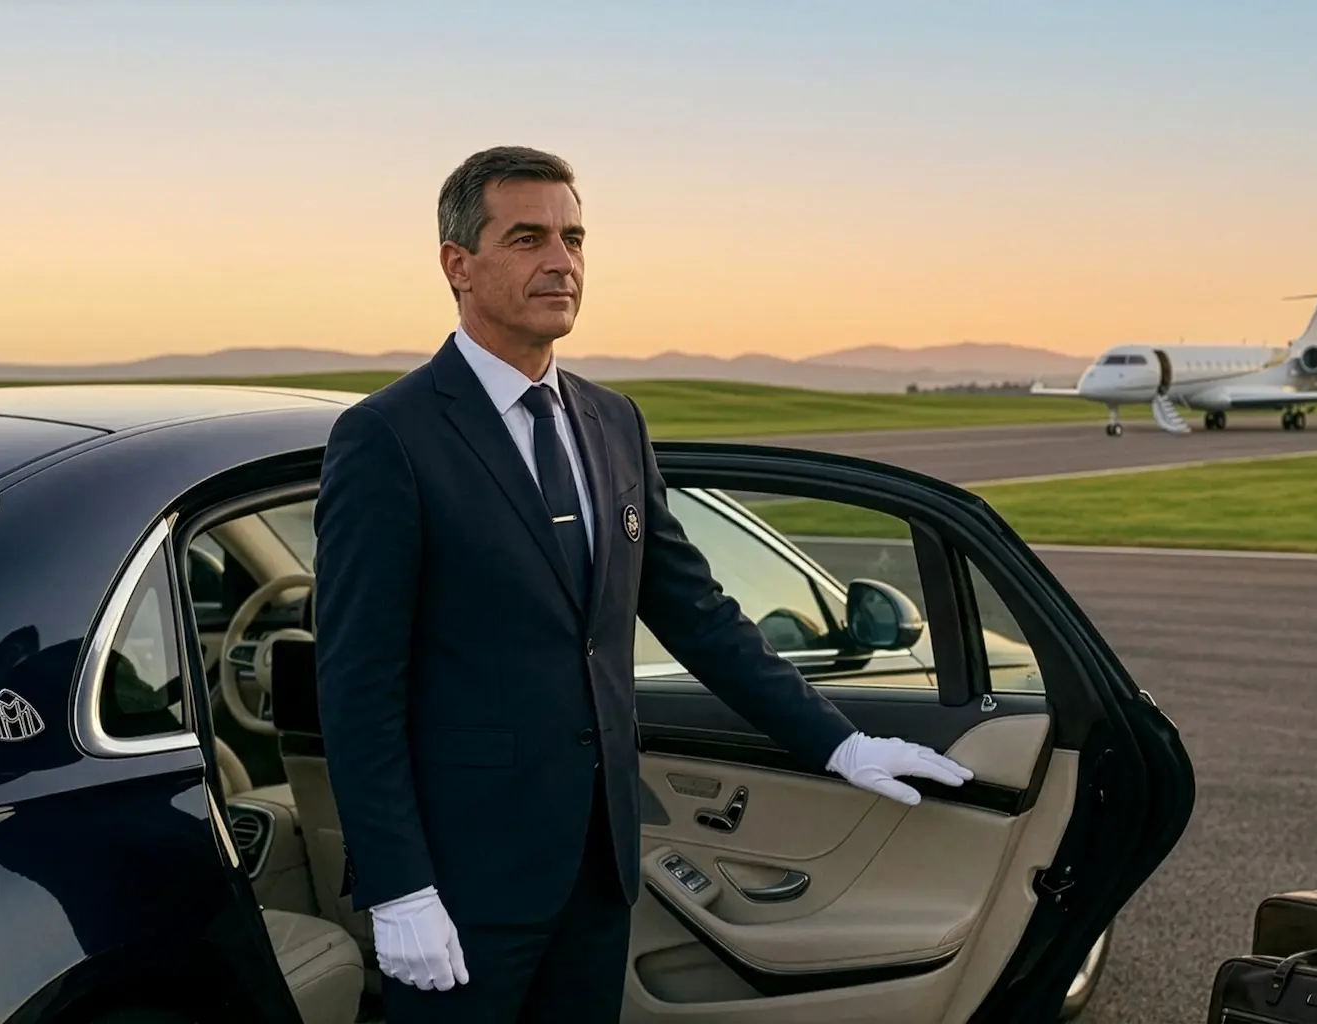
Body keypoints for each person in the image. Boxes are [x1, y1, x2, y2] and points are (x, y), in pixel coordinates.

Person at [312, 145, 973, 1023]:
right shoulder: (387, 439)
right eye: (527, 238)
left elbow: (695, 613)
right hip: (462, 884)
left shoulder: (611, 422)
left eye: (574, 237)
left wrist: (837, 744)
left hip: (599, 869)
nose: (561, 260)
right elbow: (358, 686)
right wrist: (398, 888)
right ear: (456, 265)